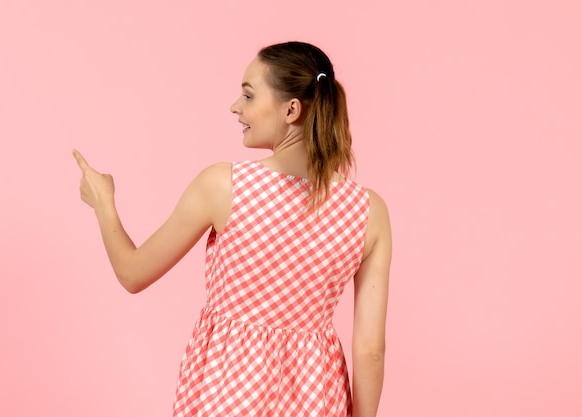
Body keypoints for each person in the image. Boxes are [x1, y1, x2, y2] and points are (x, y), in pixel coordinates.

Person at [74, 41, 391, 417]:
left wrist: (104, 203)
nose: (235, 107)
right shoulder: (369, 211)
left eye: (248, 95)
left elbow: (132, 273)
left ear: (291, 109)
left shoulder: (224, 186)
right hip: (317, 398)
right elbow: (370, 349)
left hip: (226, 394)